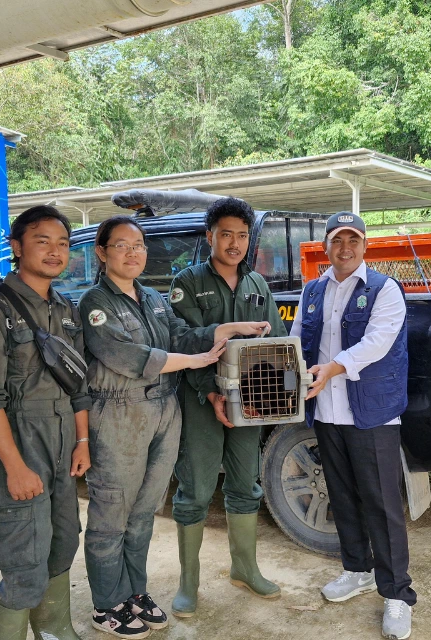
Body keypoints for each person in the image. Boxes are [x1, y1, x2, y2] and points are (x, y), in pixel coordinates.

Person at [78, 215, 271, 638]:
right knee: (113, 510)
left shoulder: (152, 298)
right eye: (123, 245)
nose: (134, 253)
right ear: (102, 252)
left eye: (140, 245)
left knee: (145, 509)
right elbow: (127, 356)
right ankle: (107, 604)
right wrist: (196, 363)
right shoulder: (96, 302)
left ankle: (135, 593)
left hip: (163, 410)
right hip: (120, 414)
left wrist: (226, 329)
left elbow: (181, 335)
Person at [0, 205, 91, 640]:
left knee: (62, 544)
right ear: (16, 247)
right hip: (18, 442)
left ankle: (56, 629)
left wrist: (83, 440)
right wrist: (14, 466)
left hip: (64, 441)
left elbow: (79, 386)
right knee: (23, 559)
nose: (55, 251)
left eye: (63, 243)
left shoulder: (66, 309)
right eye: (42, 241)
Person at [289, 212, 415, 640]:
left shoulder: (384, 290)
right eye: (337, 240)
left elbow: (377, 343)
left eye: (353, 240)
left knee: (381, 503)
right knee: (341, 496)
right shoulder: (312, 291)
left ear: (365, 246)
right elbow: (296, 343)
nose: (345, 247)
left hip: (372, 413)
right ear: (325, 246)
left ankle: (397, 595)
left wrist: (334, 368)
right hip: (326, 412)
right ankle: (357, 569)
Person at [167, 196, 287, 617]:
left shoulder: (258, 285)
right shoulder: (188, 281)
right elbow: (179, 339)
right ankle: (188, 584)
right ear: (209, 236)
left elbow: (276, 344)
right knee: (196, 489)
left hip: (250, 404)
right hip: (202, 400)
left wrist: (273, 395)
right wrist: (211, 391)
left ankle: (245, 568)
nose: (234, 243)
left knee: (245, 483)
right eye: (225, 235)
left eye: (241, 235)